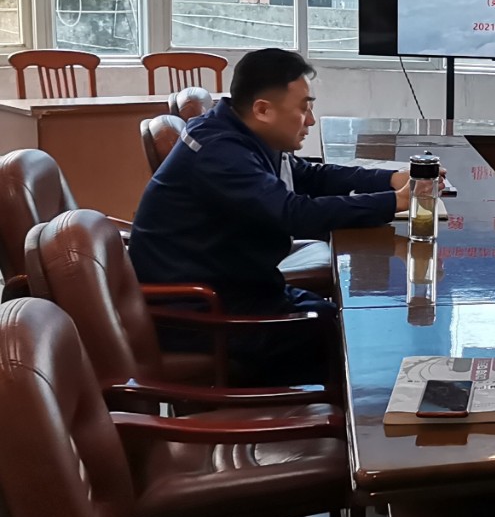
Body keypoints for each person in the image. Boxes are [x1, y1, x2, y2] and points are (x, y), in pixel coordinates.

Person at [130, 48, 408, 379]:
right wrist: (394, 203)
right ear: (262, 109)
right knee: (349, 340)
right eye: (303, 108)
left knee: (345, 321)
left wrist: (389, 179)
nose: (310, 120)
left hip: (236, 287)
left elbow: (307, 176)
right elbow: (294, 215)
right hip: (201, 313)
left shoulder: (239, 132)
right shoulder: (220, 153)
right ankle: (333, 410)